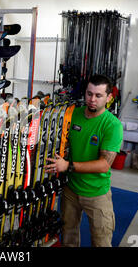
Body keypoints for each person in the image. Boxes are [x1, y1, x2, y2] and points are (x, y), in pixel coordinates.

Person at [45, 74, 123, 247]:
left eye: (98, 95)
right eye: (89, 94)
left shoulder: (112, 125)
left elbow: (104, 165)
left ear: (109, 98)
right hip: (71, 189)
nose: (92, 99)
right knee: (68, 237)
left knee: (101, 241)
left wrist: (67, 166)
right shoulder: (73, 114)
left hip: (97, 193)